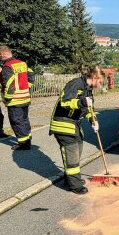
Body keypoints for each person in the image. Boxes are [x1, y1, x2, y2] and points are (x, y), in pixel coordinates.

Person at [49, 66, 101, 195]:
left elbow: (86, 110)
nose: (100, 85)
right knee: (72, 154)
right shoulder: (75, 84)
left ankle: (71, 179)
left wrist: (93, 121)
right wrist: (81, 102)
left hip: (73, 125)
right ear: (94, 77)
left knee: (77, 150)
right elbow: (64, 103)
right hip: (62, 124)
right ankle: (75, 185)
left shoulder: (87, 90)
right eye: (100, 81)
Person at [0, 45, 34, 150]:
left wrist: (7, 99)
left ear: (2, 54)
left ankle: (23, 143)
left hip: (13, 99)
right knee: (24, 119)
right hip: (25, 97)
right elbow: (31, 76)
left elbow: (7, 82)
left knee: (16, 120)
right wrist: (25, 87)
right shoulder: (22, 63)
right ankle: (27, 139)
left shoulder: (7, 66)